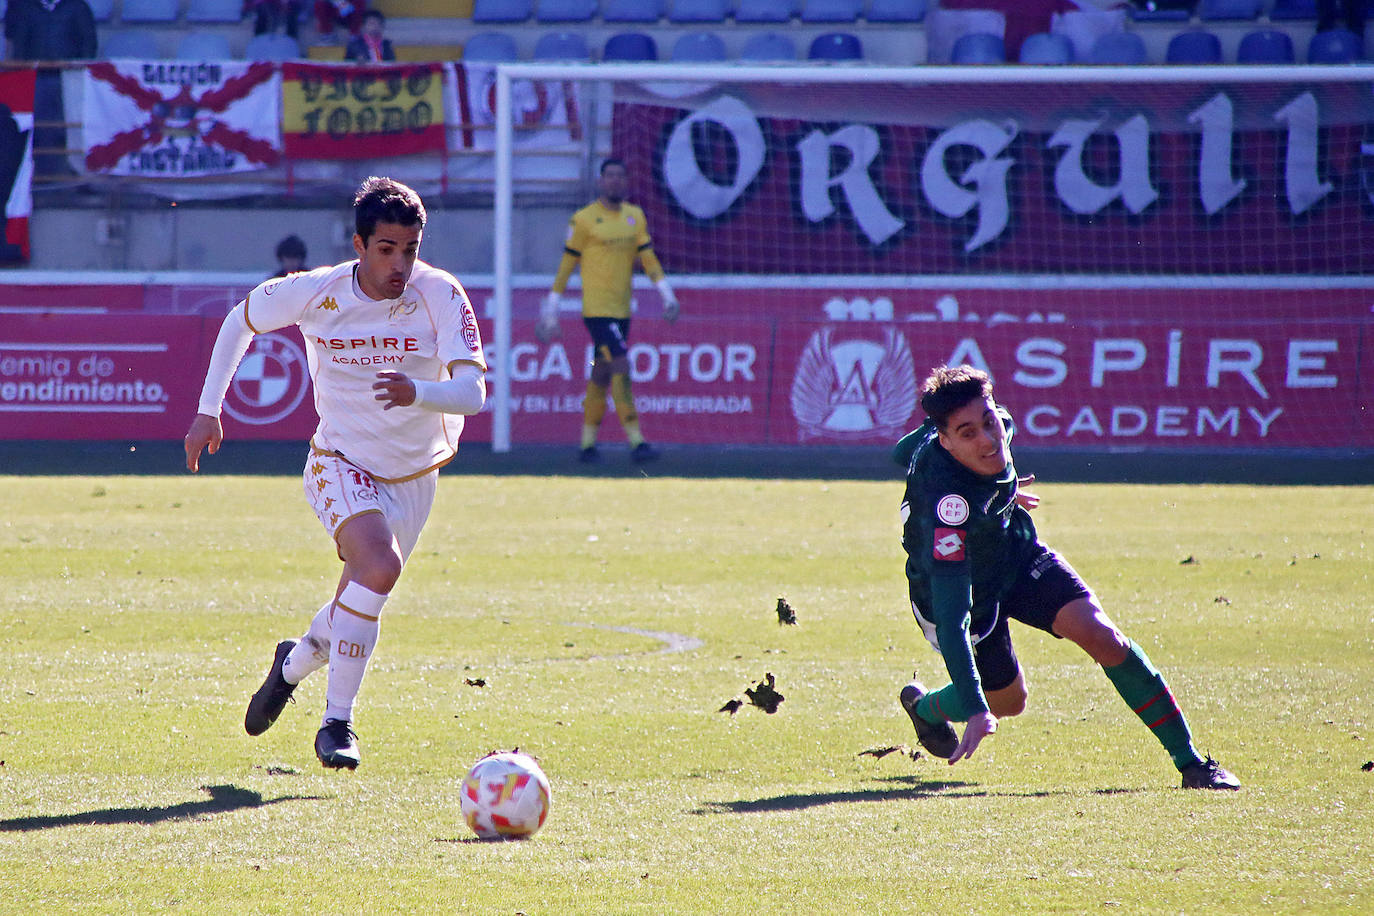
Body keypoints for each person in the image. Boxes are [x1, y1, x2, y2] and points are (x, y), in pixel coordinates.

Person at [184, 177, 488, 771]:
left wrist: (417, 391)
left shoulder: (440, 295)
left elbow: (474, 394)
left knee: (361, 595)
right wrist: (208, 409)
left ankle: (292, 664)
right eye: (386, 249)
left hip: (415, 474)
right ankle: (337, 723)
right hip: (340, 461)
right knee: (379, 566)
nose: (400, 263)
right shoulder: (317, 292)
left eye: (410, 249)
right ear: (359, 244)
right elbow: (239, 321)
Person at [893, 364, 1239, 790]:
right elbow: (952, 619)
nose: (987, 439)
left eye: (987, 422)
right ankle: (927, 710)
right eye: (967, 434)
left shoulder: (996, 424)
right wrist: (977, 709)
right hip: (960, 590)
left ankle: (1193, 764)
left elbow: (904, 451)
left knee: (1102, 636)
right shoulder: (947, 513)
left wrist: (1001, 490)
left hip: (1015, 555)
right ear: (944, 440)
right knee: (1007, 702)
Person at [537, 157, 680, 464]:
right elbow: (566, 266)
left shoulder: (634, 217)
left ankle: (587, 445)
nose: (615, 181)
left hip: (622, 310)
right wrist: (551, 309)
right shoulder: (585, 219)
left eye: (620, 175)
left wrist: (666, 295)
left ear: (626, 182)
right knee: (622, 365)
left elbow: (649, 259)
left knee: (601, 374)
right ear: (601, 181)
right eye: (609, 176)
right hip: (597, 311)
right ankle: (637, 442)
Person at [4, 0, 97, 177]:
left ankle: (70, 174)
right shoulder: (27, 8)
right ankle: (39, 176)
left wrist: (76, 68)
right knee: (37, 128)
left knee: (67, 128)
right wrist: (23, 69)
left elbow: (88, 43)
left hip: (69, 79)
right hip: (35, 78)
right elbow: (20, 44)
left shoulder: (77, 7)